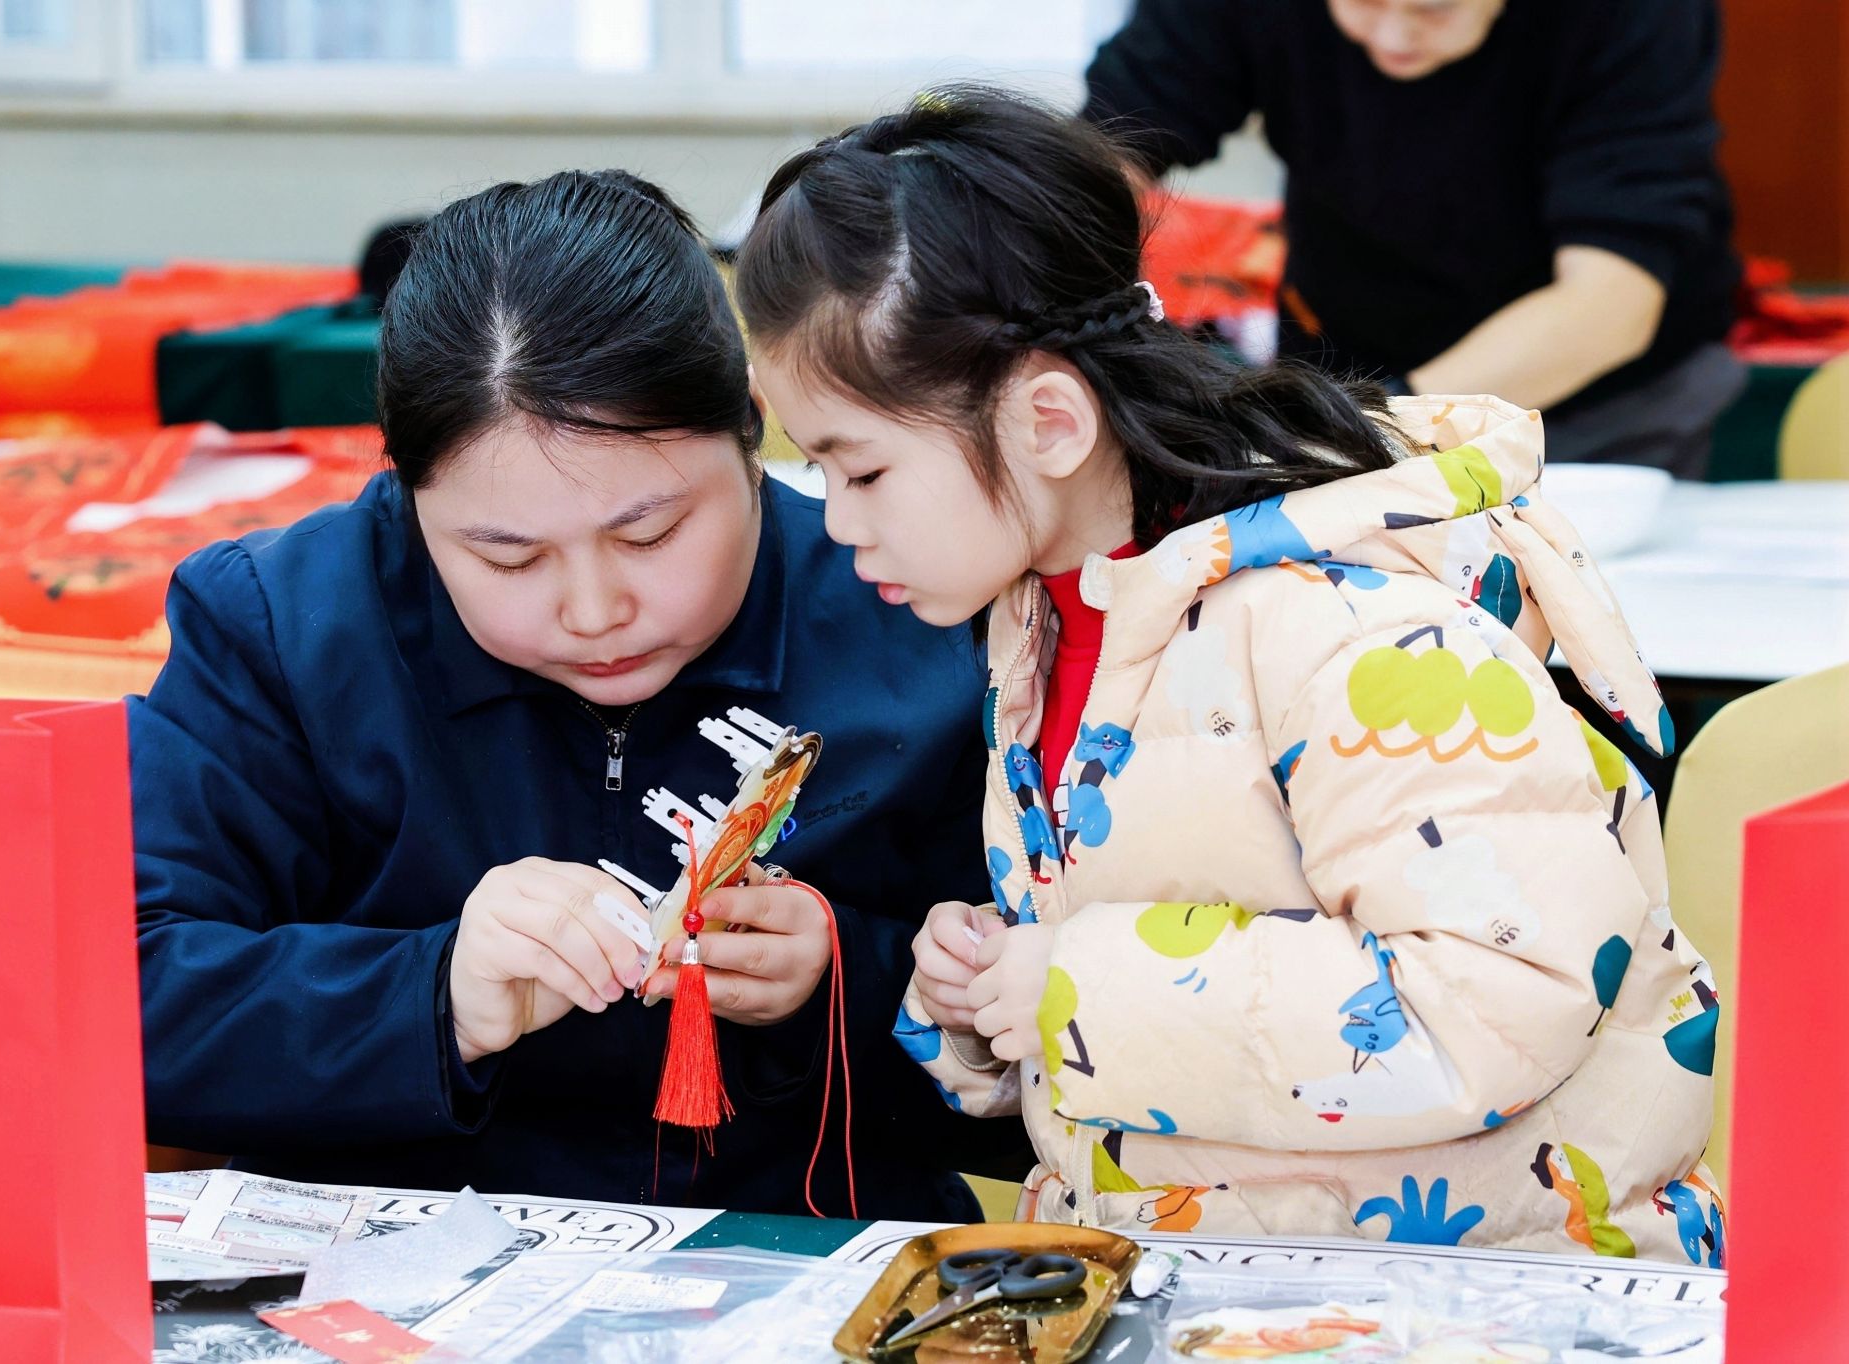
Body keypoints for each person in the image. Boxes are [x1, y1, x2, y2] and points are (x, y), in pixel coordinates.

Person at [735, 88, 1724, 1262]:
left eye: (860, 471)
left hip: (1482, 1296)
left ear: (1047, 424)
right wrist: (987, 997)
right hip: (1226, 1282)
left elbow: (1491, 1002)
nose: (836, 522)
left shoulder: (1353, 633)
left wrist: (1075, 986)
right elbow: (1171, 969)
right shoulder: (1040, 624)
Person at [130, 169, 1018, 1221]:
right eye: (507, 558)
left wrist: (845, 981)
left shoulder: (927, 616)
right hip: (376, 1272)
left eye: (650, 534)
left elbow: (1092, 1070)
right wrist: (436, 995)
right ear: (408, 494)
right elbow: (117, 998)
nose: (594, 611)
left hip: (817, 1252)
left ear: (752, 427)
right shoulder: (282, 628)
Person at [1085, 0, 1744, 480]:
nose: (1394, 36)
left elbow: (1609, 303)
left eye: (1436, 8)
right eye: (1364, 2)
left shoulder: (1638, 16)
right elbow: (1107, 145)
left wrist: (1368, 427)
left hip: (1597, 408)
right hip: (1348, 356)